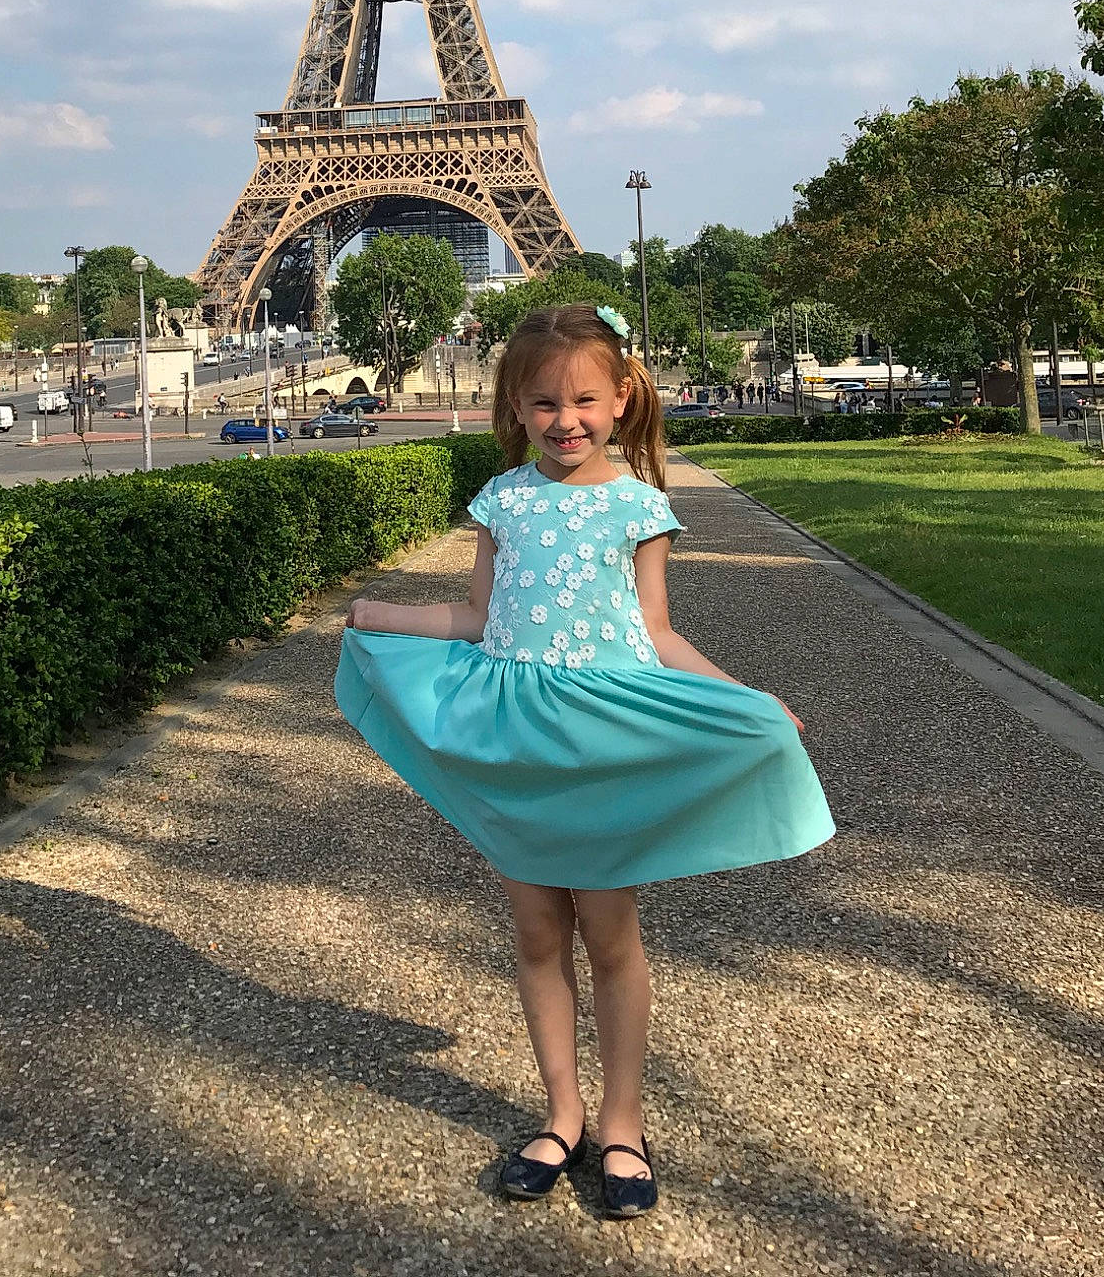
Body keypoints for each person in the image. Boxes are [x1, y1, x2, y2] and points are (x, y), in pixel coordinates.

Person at [337, 302, 833, 1219]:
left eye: (584, 401)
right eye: (544, 404)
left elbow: (654, 632)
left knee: (610, 938)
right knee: (534, 935)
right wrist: (387, 617)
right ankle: (560, 1115)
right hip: (521, 738)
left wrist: (745, 698)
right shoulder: (503, 499)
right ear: (515, 408)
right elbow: (478, 621)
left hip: (602, 741)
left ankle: (621, 1123)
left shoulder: (639, 504)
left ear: (621, 399)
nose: (566, 420)